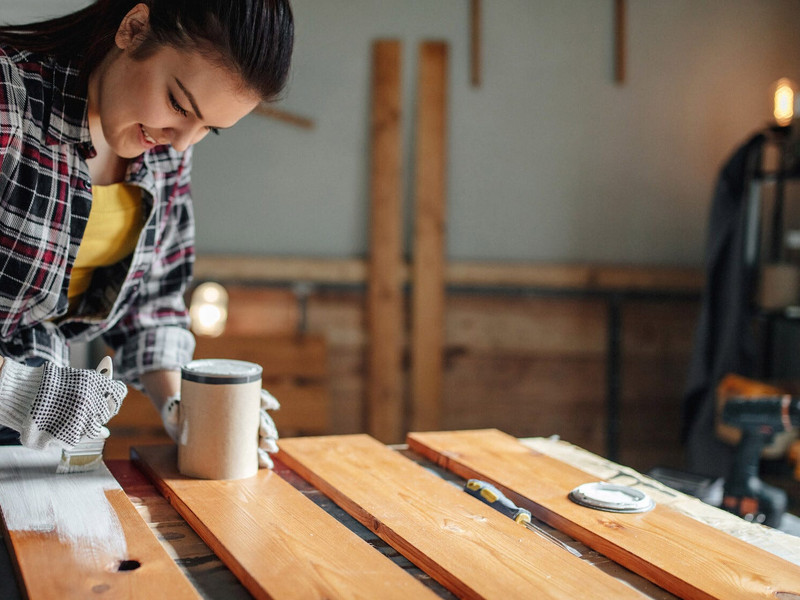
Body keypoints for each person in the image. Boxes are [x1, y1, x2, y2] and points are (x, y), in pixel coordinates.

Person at [0, 0, 293, 467]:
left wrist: (185, 408)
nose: (180, 141)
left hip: (28, 445)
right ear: (134, 29)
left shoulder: (165, 151)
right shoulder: (8, 102)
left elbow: (153, 305)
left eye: (208, 130)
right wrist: (13, 390)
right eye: (178, 104)